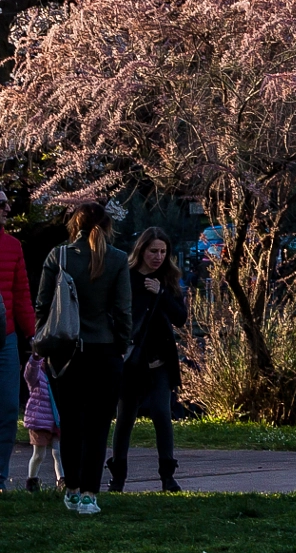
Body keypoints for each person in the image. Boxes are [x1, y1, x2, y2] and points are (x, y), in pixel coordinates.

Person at [36, 203, 130, 514]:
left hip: (65, 351)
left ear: (74, 224)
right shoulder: (116, 259)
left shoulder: (58, 256)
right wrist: (122, 345)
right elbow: (123, 311)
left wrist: (40, 343)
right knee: (99, 424)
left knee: (71, 422)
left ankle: (72, 488)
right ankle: (91, 493)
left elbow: (43, 304)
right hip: (104, 349)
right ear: (107, 226)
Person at [110, 227, 186, 493]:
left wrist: (161, 294)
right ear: (141, 250)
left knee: (162, 413)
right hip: (132, 360)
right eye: (153, 251)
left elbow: (181, 317)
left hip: (160, 359)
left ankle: (167, 475)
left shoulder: (168, 280)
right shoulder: (127, 278)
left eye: (163, 252)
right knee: (125, 416)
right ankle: (118, 476)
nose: (158, 257)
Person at [0, 188, 36, 494]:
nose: (6, 209)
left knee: (9, 408)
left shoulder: (13, 246)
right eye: (1, 204)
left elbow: (22, 294)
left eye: (6, 204)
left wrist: (33, 335)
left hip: (6, 337)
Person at [21, 353, 60, 491]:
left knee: (58, 452)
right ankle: (32, 481)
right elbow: (29, 374)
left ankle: (62, 481)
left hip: (57, 420)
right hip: (40, 420)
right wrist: (35, 358)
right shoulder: (38, 373)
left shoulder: (59, 372)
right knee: (39, 455)